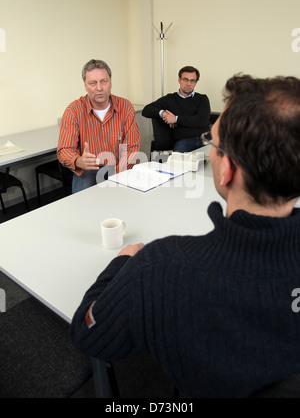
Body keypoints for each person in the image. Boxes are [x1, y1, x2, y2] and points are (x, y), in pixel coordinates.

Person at [70, 74, 300, 398]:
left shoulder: (163, 264)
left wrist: (121, 263)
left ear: (226, 169)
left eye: (213, 142)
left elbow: (88, 331)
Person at [57, 59, 141, 193]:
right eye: (93, 83)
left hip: (120, 166)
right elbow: (64, 149)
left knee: (127, 203)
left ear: (111, 83)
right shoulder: (73, 110)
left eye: (103, 81)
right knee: (84, 206)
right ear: (85, 86)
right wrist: (78, 161)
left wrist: (118, 174)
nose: (99, 88)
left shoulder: (125, 106)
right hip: (89, 169)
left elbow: (132, 147)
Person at [142, 66, 210, 152]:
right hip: (185, 141)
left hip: (205, 139)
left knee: (220, 161)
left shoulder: (202, 99)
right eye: (185, 79)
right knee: (176, 162)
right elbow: (146, 110)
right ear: (179, 80)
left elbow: (202, 121)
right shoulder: (169, 99)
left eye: (192, 80)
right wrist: (164, 113)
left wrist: (176, 119)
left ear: (196, 82)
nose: (189, 84)